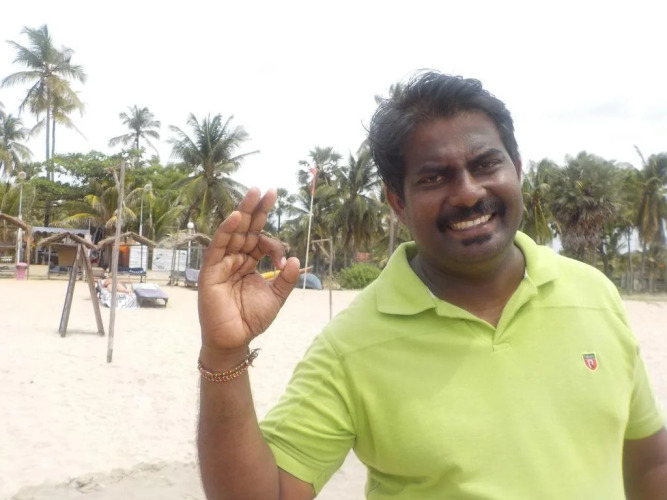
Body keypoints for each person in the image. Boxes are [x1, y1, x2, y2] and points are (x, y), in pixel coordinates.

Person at [196, 71, 667, 499]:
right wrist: (224, 354)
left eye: (486, 165)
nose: (468, 192)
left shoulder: (595, 295)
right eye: (434, 177)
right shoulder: (351, 346)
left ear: (518, 170)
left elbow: (649, 462)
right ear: (397, 202)